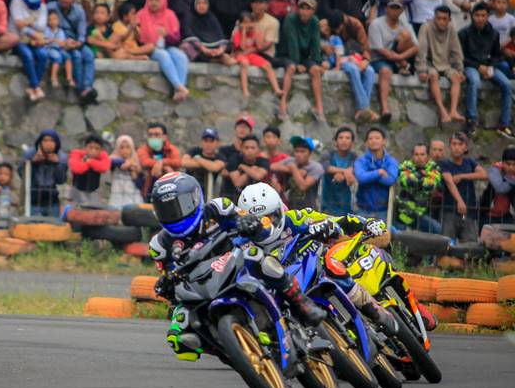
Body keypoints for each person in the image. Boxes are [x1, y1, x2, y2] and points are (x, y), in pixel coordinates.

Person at [148, 173, 326, 362]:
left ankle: (302, 303)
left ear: (195, 198)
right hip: (201, 285)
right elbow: (170, 278)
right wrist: (165, 286)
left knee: (260, 259)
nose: (175, 214)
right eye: (166, 210)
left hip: (235, 264)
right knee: (178, 332)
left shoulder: (218, 208)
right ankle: (225, 347)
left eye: (180, 205)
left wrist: (249, 223)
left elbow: (252, 225)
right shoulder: (159, 245)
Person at [235, 182, 398, 336]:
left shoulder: (295, 218)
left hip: (322, 270)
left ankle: (375, 310)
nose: (267, 225)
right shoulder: (243, 245)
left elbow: (338, 220)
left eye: (270, 218)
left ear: (279, 210)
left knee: (335, 264)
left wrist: (365, 223)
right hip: (290, 291)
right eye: (259, 221)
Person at [460, 2, 513, 138]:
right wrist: (479, 67)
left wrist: (490, 66)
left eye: (483, 15)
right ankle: (471, 120)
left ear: (487, 16)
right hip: (471, 66)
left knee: (507, 84)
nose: (480, 18)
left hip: (488, 66)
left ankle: (504, 124)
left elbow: (497, 55)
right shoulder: (464, 33)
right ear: (472, 16)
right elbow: (461, 57)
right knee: (474, 81)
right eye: (477, 15)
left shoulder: (494, 34)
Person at [322, 10, 378, 122]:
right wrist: (324, 47)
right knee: (353, 70)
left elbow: (365, 46)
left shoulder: (355, 25)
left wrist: (365, 60)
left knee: (370, 71)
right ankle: (365, 108)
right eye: (335, 29)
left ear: (343, 22)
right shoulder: (328, 25)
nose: (337, 31)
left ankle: (362, 109)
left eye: (338, 28)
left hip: (356, 57)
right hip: (339, 59)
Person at [277, 0, 325, 121]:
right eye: (302, 8)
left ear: (313, 11)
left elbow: (316, 42)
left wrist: (318, 62)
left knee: (315, 70)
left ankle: (319, 107)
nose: (304, 11)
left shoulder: (314, 21)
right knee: (291, 68)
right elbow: (292, 41)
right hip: (286, 54)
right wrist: (296, 63)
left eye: (308, 9)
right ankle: (283, 104)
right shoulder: (291, 19)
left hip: (303, 55)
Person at [415, 5, 465, 125]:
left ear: (449, 20)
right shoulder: (426, 27)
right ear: (434, 18)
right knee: (433, 76)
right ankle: (442, 110)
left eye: (444, 19)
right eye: (439, 18)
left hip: (446, 64)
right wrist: (422, 70)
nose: (441, 21)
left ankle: (453, 111)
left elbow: (457, 52)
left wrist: (460, 70)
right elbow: (421, 51)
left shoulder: (451, 29)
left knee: (456, 78)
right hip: (430, 63)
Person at [137, 0, 190, 101]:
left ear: (163, 0)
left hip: (168, 46)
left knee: (181, 56)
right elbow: (138, 37)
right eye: (151, 0)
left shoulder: (170, 15)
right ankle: (179, 87)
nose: (153, 3)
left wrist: (167, 35)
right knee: (163, 56)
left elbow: (177, 38)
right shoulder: (141, 14)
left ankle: (179, 91)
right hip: (149, 48)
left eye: (157, 0)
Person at [46, 0, 97, 101]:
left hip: (74, 43)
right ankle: (80, 89)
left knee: (89, 55)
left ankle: (87, 88)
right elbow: (44, 30)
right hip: (56, 42)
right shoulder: (50, 8)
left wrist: (77, 43)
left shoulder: (79, 11)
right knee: (77, 56)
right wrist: (63, 43)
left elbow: (82, 34)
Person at [368, 0, 418, 108]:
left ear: (401, 10)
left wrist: (400, 57)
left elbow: (416, 47)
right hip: (378, 59)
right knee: (385, 71)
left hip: (396, 58)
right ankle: (385, 108)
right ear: (386, 8)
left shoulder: (405, 24)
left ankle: (401, 67)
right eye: (392, 7)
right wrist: (399, 59)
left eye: (397, 8)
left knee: (406, 35)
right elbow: (379, 49)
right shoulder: (376, 24)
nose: (394, 10)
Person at [439, 132, 487, 240]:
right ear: (450, 146)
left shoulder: (469, 162)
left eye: (460, 144)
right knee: (447, 242)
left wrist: (462, 176)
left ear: (465, 147)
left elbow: (484, 175)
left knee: (471, 244)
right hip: (450, 210)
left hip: (469, 210)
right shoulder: (444, 164)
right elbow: (449, 182)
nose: (457, 147)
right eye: (454, 144)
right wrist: (460, 201)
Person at [9, 0, 49, 101]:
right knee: (28, 55)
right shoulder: (17, 1)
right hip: (18, 39)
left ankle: (32, 88)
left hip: (34, 41)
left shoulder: (42, 6)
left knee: (43, 55)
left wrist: (28, 22)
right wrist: (33, 29)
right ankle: (36, 86)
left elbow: (42, 26)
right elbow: (18, 24)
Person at [396, 143, 443, 233]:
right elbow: (407, 181)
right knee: (398, 237)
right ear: (412, 156)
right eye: (416, 154)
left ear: (427, 156)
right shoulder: (406, 165)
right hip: (403, 213)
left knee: (437, 229)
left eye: (422, 154)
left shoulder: (433, 167)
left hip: (421, 213)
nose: (419, 157)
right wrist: (422, 175)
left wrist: (415, 176)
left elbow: (430, 185)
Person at [354, 127, 398, 221]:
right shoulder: (361, 160)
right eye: (370, 138)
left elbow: (391, 180)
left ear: (384, 141)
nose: (374, 141)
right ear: (366, 142)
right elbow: (361, 178)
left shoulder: (391, 161)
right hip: (362, 210)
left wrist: (369, 175)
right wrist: (379, 172)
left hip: (383, 211)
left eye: (377, 138)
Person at [20, 129, 67, 217]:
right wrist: (33, 162)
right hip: (33, 199)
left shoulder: (61, 156)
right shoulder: (30, 153)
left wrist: (57, 164)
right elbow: (22, 175)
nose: (48, 144)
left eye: (52, 141)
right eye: (45, 140)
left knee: (52, 224)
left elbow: (61, 180)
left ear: (56, 143)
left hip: (52, 200)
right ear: (40, 142)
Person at [232, 10, 277, 100]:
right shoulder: (237, 34)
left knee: (268, 65)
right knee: (244, 63)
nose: (248, 25)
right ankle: (245, 90)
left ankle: (276, 89)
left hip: (252, 55)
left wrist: (255, 31)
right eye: (245, 23)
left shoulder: (255, 33)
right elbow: (242, 47)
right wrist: (244, 31)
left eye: (250, 22)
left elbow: (259, 46)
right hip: (240, 55)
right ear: (240, 24)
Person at [179, 0, 233, 65]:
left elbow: (220, 35)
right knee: (186, 47)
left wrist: (220, 49)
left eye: (205, 3)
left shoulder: (211, 17)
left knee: (229, 45)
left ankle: (218, 57)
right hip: (199, 48)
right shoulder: (189, 17)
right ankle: (215, 59)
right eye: (199, 3)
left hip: (213, 48)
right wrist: (203, 49)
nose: (202, 6)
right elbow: (188, 34)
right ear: (194, 4)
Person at [279, 136, 324, 210]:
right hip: (291, 208)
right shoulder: (291, 161)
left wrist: (294, 169)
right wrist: (292, 170)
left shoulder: (316, 167)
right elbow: (273, 166)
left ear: (310, 153)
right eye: (296, 151)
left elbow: (303, 186)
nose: (299, 154)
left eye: (302, 151)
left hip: (309, 210)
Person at [137, 122, 181, 197]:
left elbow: (177, 162)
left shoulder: (171, 149)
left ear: (165, 137)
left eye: (157, 134)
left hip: (170, 188)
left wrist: (162, 162)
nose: (153, 137)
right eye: (150, 135)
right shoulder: (143, 149)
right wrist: (164, 166)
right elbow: (144, 162)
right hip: (148, 189)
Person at [320, 126, 357, 215]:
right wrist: (345, 172)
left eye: (347, 138)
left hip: (347, 206)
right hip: (327, 205)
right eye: (341, 138)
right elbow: (326, 167)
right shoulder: (328, 154)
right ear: (336, 141)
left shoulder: (354, 157)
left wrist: (343, 174)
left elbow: (354, 169)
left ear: (352, 142)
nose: (344, 140)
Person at [223, 134, 269, 202]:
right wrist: (252, 170)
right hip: (233, 199)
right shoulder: (234, 159)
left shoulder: (263, 161)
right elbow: (238, 183)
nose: (249, 150)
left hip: (257, 200)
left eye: (253, 148)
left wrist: (243, 167)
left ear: (258, 150)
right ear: (241, 149)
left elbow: (258, 176)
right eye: (246, 148)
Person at [68, 134, 111, 205]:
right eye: (90, 148)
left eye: (97, 149)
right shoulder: (76, 154)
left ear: (101, 150)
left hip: (94, 191)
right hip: (77, 191)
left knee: (93, 209)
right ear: (85, 147)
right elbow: (76, 168)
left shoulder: (102, 156)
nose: (93, 151)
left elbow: (104, 168)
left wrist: (89, 161)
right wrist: (93, 164)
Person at [181, 128, 225, 196]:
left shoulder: (220, 156)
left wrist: (197, 159)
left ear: (217, 143)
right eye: (205, 141)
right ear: (201, 142)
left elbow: (215, 167)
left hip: (209, 195)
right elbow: (183, 162)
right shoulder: (194, 151)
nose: (208, 144)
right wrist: (208, 164)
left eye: (211, 141)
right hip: (189, 193)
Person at [482, 146, 515, 225]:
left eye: (514, 165)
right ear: (502, 162)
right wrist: (512, 179)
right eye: (508, 164)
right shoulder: (495, 169)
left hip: (506, 216)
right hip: (488, 216)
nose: (511, 167)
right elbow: (500, 188)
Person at [108, 135, 144, 207]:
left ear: (132, 148)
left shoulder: (136, 163)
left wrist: (134, 174)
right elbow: (111, 162)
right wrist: (125, 163)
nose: (125, 150)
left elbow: (140, 185)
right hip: (116, 198)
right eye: (122, 147)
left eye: (128, 147)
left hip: (133, 198)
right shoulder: (113, 160)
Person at [44, 10, 73, 87]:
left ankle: (69, 78)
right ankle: (53, 78)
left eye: (54, 19)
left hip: (59, 49)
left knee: (68, 57)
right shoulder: (46, 30)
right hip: (49, 48)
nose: (52, 21)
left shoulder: (60, 31)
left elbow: (62, 43)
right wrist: (53, 40)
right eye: (50, 19)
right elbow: (45, 41)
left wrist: (64, 43)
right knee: (57, 57)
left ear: (58, 20)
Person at [261, 126, 289, 194]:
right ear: (263, 140)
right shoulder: (257, 157)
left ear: (279, 141)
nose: (271, 140)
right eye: (268, 137)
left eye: (274, 137)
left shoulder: (285, 158)